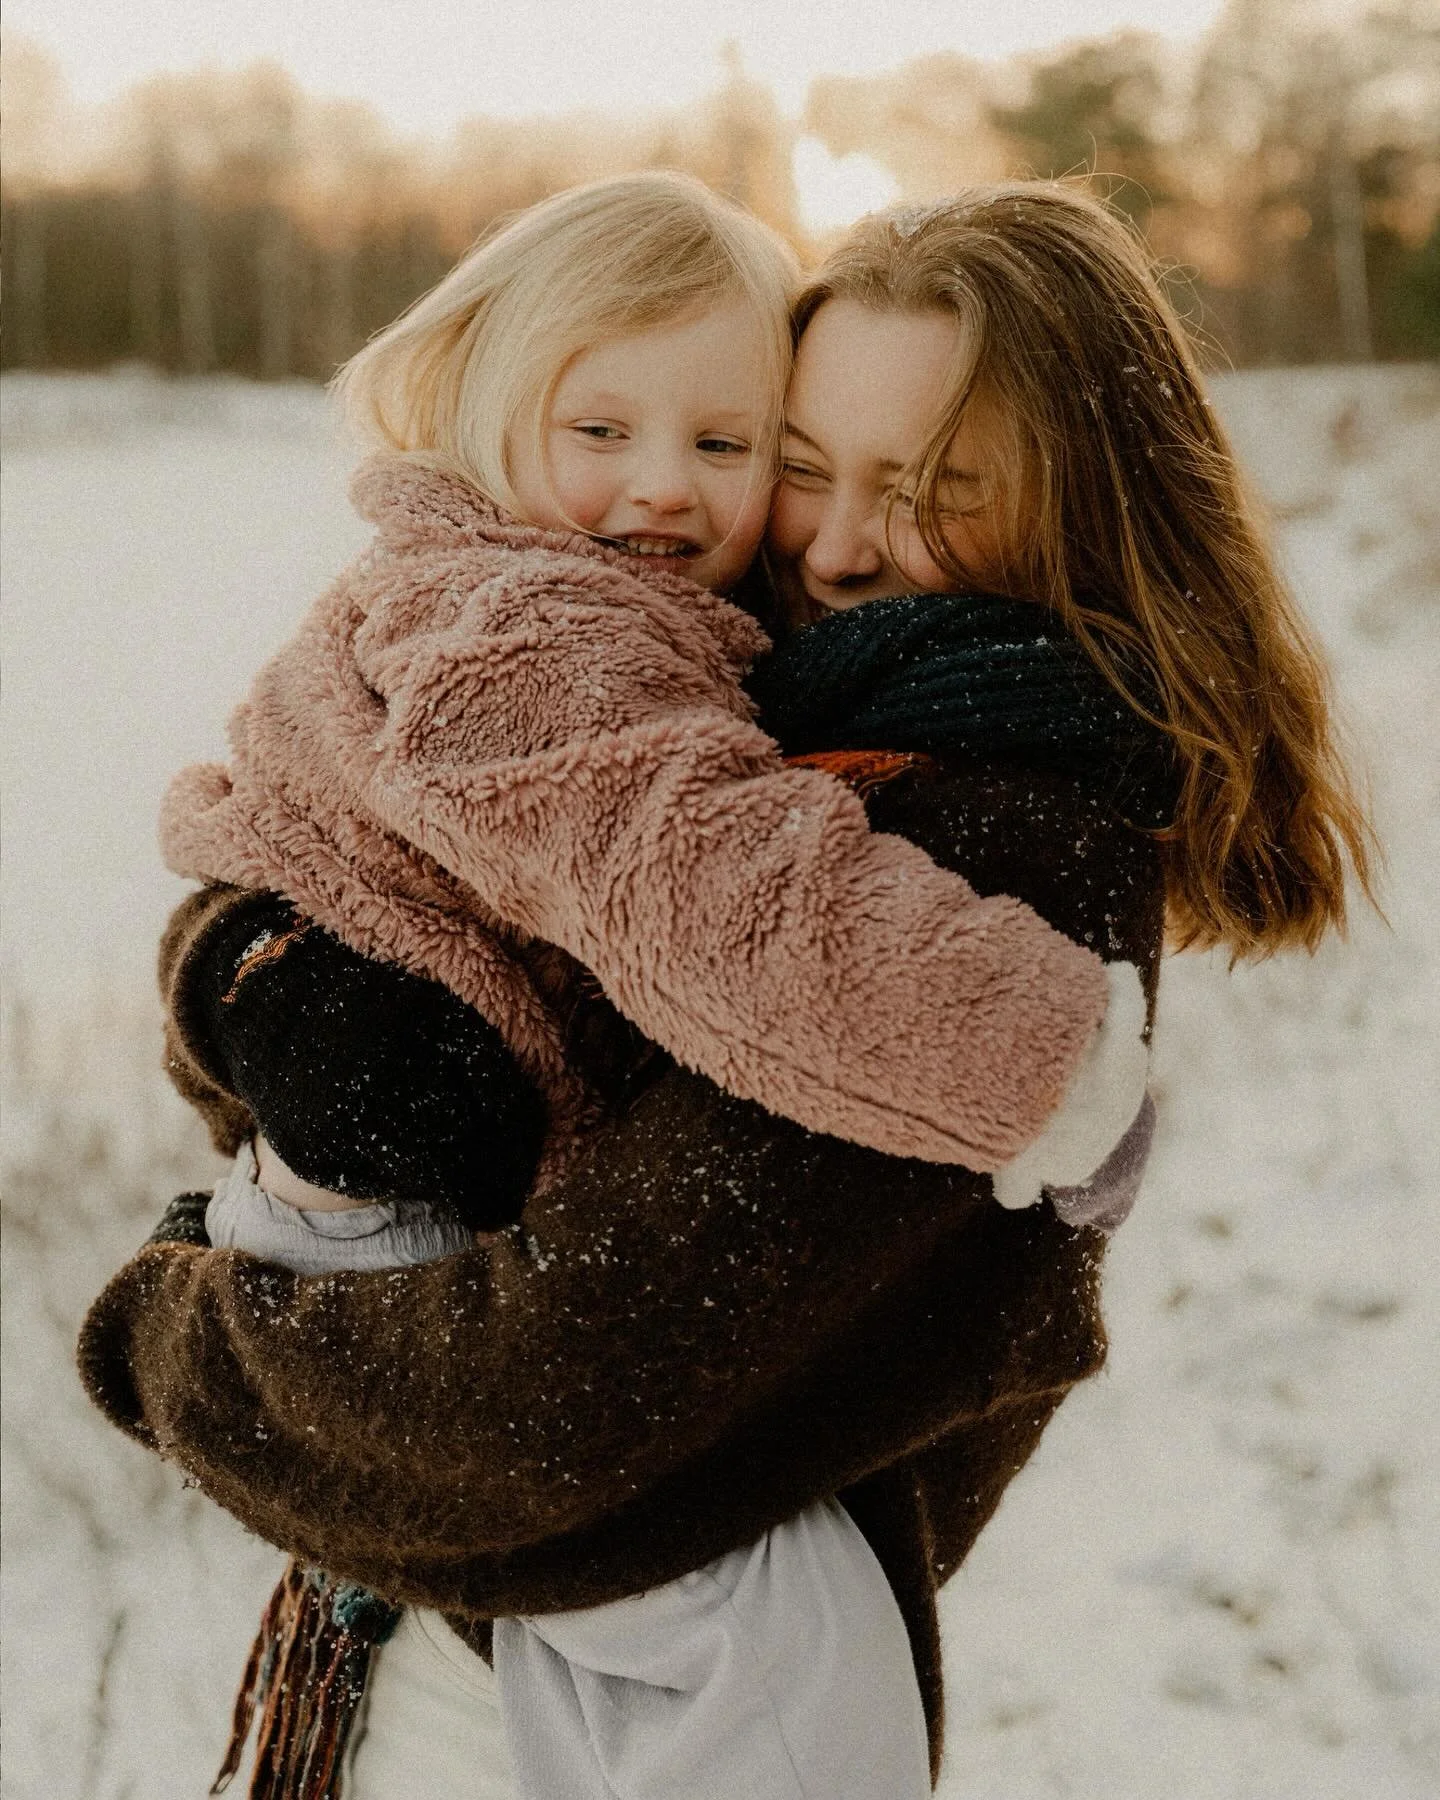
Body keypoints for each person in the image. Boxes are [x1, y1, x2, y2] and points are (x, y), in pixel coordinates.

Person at [78, 181, 1374, 1797]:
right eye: (811, 467)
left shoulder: (990, 834)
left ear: (1085, 501)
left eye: (932, 489)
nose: (831, 545)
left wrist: (179, 1338)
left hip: (561, 1675)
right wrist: (253, 976)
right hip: (477, 1640)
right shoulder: (740, 688)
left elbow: (542, 1404)